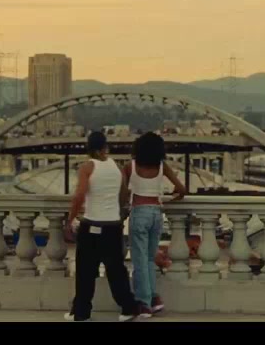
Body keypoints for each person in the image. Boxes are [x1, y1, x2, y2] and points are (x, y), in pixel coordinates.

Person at [63, 130, 139, 322]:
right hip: (113, 225)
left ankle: (81, 313)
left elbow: (79, 195)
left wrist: (70, 220)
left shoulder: (87, 167)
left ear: (89, 148)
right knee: (116, 270)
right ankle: (128, 308)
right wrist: (117, 213)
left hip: (92, 225)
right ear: (105, 147)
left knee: (85, 272)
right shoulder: (117, 167)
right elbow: (124, 193)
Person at [124, 132, 186, 318]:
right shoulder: (162, 166)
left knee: (139, 259)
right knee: (150, 259)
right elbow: (181, 189)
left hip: (139, 211)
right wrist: (172, 198)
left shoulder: (130, 166)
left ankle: (143, 303)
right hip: (157, 213)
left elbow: (122, 193)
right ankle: (154, 298)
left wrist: (122, 209)